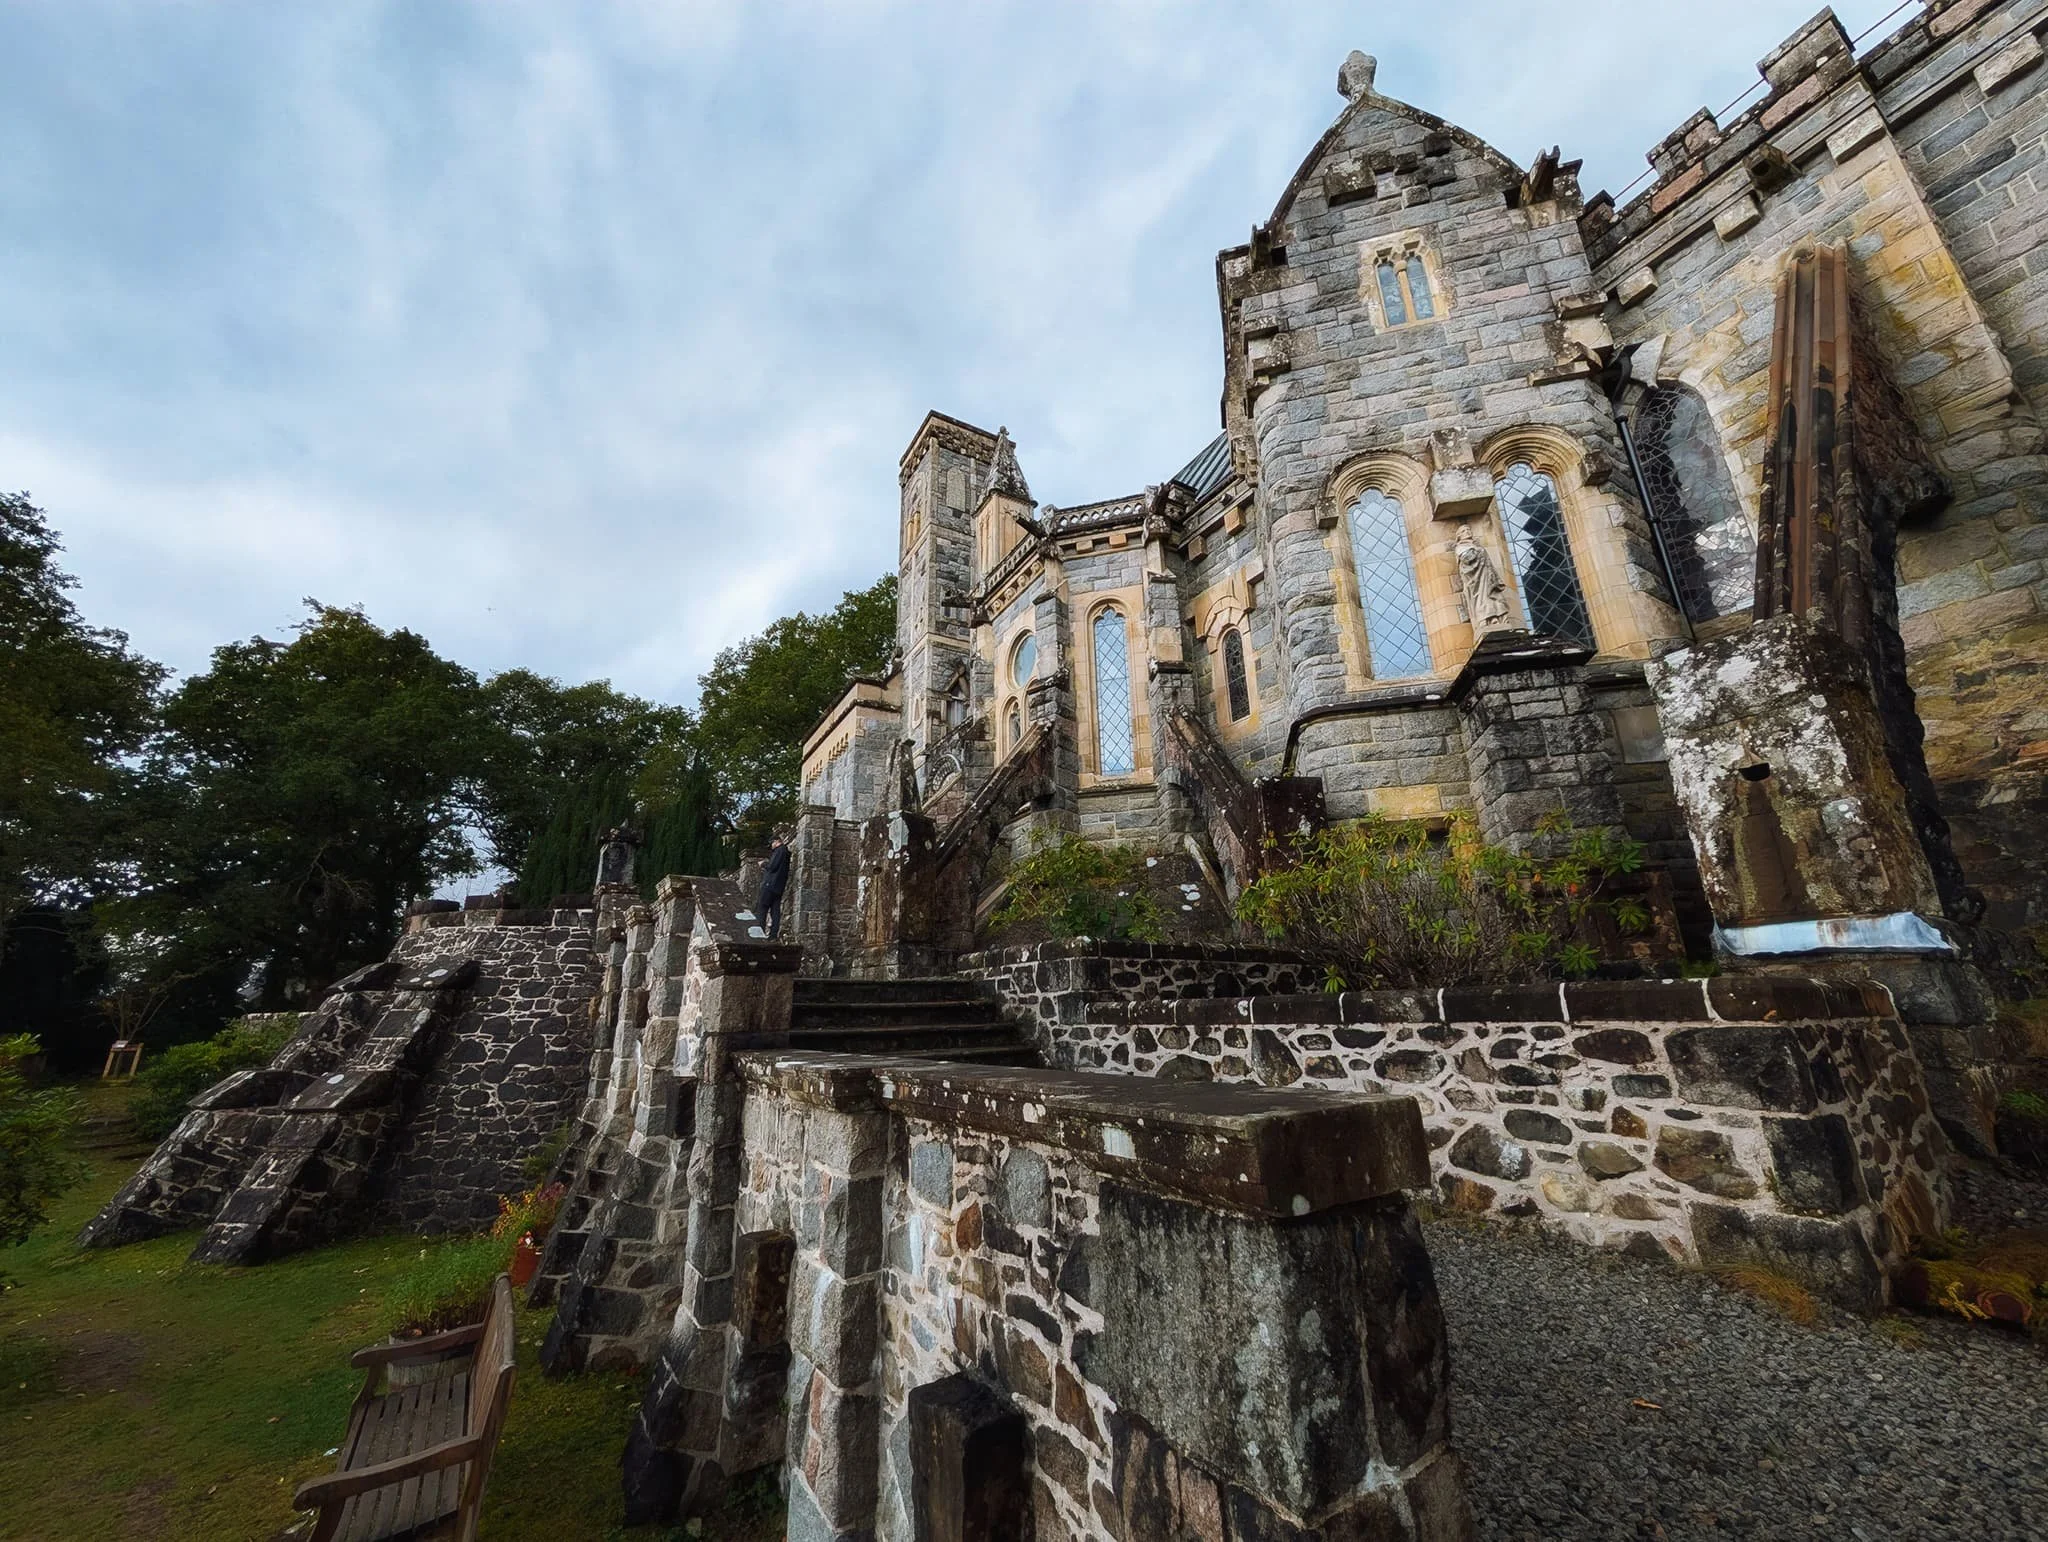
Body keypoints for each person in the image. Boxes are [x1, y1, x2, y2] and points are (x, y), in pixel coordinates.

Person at [756, 830, 792, 940]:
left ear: (777, 841)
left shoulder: (779, 851)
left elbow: (772, 867)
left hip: (770, 885)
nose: (771, 846)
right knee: (775, 911)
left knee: (762, 908)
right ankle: (773, 935)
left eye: (772, 843)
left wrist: (763, 864)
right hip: (779, 887)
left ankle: (759, 933)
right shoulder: (786, 853)